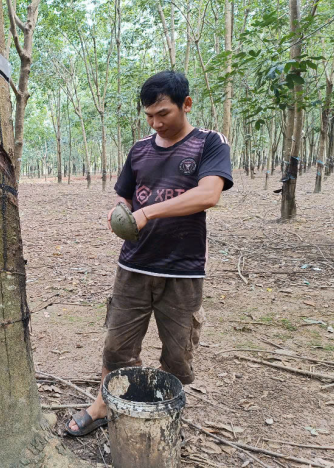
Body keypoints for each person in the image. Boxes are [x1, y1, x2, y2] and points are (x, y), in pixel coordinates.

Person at [67, 70, 233, 436]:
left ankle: (164, 416)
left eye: (164, 113)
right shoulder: (140, 149)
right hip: (134, 267)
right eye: (149, 116)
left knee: (177, 354)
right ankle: (102, 406)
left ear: (186, 105)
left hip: (183, 270)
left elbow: (209, 194)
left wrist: (144, 213)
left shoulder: (209, 143)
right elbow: (125, 193)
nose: (156, 123)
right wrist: (120, 211)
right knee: (117, 346)